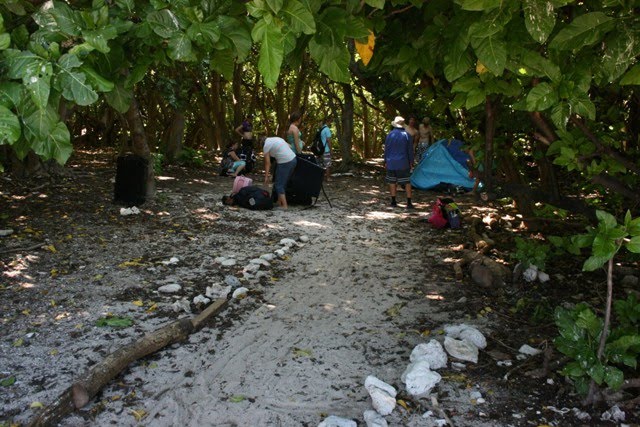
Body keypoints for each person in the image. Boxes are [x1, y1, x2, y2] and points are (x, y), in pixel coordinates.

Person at [384, 116, 415, 209]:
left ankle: (393, 201)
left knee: (392, 181)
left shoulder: (390, 135)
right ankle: (409, 202)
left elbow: (387, 149)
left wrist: (385, 160)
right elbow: (410, 150)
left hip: (391, 161)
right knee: (406, 182)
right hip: (403, 162)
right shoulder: (407, 135)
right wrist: (411, 162)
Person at [262, 136, 297, 209]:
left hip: (285, 162)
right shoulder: (277, 138)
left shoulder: (266, 145)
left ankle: (284, 206)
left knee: (279, 184)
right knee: (282, 182)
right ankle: (279, 201)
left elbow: (268, 163)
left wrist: (266, 176)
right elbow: (290, 146)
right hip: (293, 160)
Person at [319, 116, 333, 181]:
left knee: (323, 164)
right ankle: (328, 178)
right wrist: (331, 150)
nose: (331, 123)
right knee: (328, 164)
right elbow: (329, 141)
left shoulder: (322, 128)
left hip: (321, 149)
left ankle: (322, 177)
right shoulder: (327, 129)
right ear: (328, 121)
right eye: (331, 121)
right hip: (326, 149)